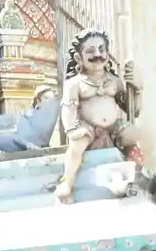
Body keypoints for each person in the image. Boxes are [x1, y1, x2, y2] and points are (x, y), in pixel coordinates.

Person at [54, 30, 142, 204]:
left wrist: (138, 89)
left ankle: (137, 175)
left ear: (107, 54)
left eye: (102, 49)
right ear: (79, 58)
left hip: (113, 127)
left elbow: (134, 110)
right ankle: (67, 182)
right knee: (76, 146)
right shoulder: (75, 84)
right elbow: (68, 110)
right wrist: (72, 129)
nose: (97, 55)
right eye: (90, 51)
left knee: (134, 135)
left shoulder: (115, 81)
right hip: (87, 127)